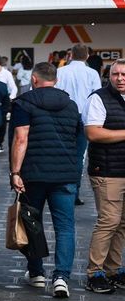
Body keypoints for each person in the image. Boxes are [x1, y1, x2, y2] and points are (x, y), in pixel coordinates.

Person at [9, 62, 83, 298]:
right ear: (56, 80)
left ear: (33, 79)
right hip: (65, 174)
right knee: (65, 227)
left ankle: (37, 272)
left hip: (34, 173)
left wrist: (15, 172)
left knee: (32, 221)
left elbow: (21, 138)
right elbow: (79, 140)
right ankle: (61, 277)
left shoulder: (24, 102)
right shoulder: (71, 105)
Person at [84, 59, 125, 293]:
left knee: (123, 224)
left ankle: (114, 269)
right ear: (108, 76)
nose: (120, 78)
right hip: (107, 171)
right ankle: (95, 272)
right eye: (115, 74)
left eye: (124, 74)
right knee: (109, 221)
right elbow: (93, 132)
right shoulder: (98, 98)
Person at [57, 44, 100, 205]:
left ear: (71, 55)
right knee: (79, 156)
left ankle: (59, 188)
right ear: (87, 56)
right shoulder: (92, 73)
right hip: (84, 117)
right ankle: (74, 191)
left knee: (62, 152)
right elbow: (96, 96)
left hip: (63, 116)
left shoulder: (60, 72)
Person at [0, 56, 18, 151]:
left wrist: (10, 98)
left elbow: (13, 88)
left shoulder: (6, 73)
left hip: (3, 100)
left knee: (3, 122)